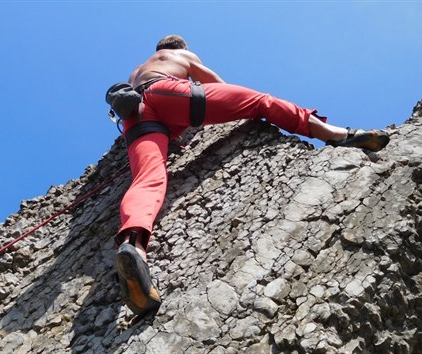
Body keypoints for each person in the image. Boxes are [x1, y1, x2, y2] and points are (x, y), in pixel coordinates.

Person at [109, 35, 389, 317]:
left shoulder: (137, 70)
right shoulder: (183, 56)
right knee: (261, 101)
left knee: (147, 178)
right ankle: (341, 135)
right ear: (178, 48)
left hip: (135, 113)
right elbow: (219, 87)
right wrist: (223, 106)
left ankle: (133, 247)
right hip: (169, 93)